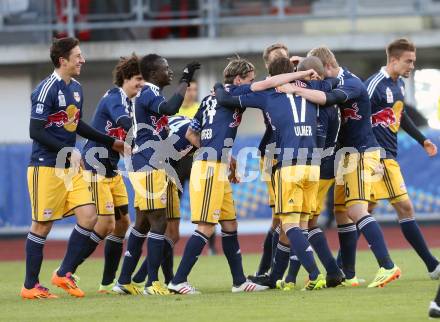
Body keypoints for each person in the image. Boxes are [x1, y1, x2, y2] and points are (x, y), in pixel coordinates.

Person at [215, 56, 337, 290]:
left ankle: (314, 274)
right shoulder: (313, 86)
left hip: (289, 164)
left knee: (289, 226)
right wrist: (306, 69)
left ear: (270, 76)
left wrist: (220, 86)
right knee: (301, 226)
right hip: (313, 165)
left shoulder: (267, 93)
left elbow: (229, 97)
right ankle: (286, 279)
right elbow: (332, 80)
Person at [285, 46, 401, 288]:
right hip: (346, 156)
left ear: (327, 66)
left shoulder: (351, 83)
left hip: (359, 153)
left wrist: (292, 87)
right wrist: (297, 69)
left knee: (357, 211)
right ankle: (348, 274)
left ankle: (387, 265)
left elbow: (327, 97)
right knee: (342, 214)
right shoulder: (332, 79)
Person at [21, 37, 126, 299]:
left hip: (70, 167)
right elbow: (35, 131)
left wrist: (111, 141)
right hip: (46, 167)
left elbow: (77, 125)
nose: (83, 60)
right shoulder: (45, 89)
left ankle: (63, 272)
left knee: (90, 217)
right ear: (63, 60)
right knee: (42, 226)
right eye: (78, 56)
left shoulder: (76, 88)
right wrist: (67, 151)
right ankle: (30, 286)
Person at [167, 56, 269, 294]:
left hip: (216, 164)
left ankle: (239, 281)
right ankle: (178, 280)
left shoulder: (207, 99)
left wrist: (222, 154)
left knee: (230, 224)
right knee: (206, 226)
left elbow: (192, 135)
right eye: (250, 80)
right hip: (209, 168)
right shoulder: (231, 95)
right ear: (238, 79)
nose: (251, 84)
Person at [113, 54, 200, 295]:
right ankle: (153, 283)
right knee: (158, 221)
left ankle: (124, 280)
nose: (170, 72)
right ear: (153, 74)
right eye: (166, 69)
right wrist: (185, 77)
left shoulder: (152, 93)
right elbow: (172, 108)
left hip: (153, 162)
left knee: (142, 223)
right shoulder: (149, 92)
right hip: (148, 162)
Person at [365, 38, 440, 279]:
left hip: (387, 155)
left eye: (414, 61)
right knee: (405, 207)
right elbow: (358, 121)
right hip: (379, 157)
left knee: (362, 210)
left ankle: (341, 269)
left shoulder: (399, 85)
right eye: (408, 61)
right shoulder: (374, 85)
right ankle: (432, 265)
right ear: (394, 60)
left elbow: (401, 114)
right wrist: (371, 153)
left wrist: (422, 139)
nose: (412, 66)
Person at [277, 56, 344, 290]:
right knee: (307, 223)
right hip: (324, 164)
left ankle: (316, 273)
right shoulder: (328, 90)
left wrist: (294, 79)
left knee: (301, 224)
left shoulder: (312, 99)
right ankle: (304, 275)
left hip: (314, 163)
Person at [80, 54, 143, 293]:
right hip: (94, 164)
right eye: (138, 79)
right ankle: (66, 270)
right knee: (105, 223)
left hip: (111, 168)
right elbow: (123, 121)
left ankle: (106, 284)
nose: (141, 84)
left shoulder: (130, 101)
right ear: (126, 78)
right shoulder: (116, 97)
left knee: (122, 223)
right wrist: (139, 134)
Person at [131, 114, 197, 288]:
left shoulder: (183, 120)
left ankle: (165, 279)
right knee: (149, 225)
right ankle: (139, 279)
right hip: (152, 169)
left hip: (162, 170)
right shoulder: (193, 132)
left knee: (170, 233)